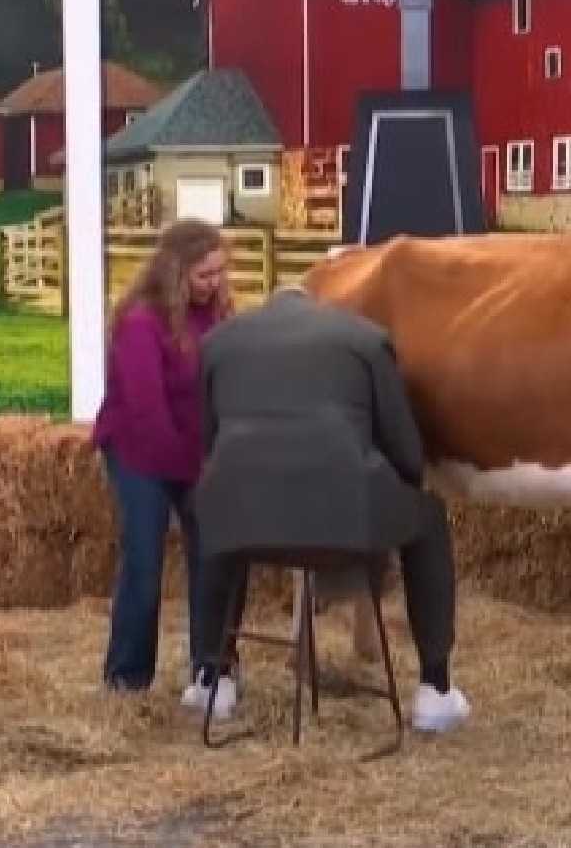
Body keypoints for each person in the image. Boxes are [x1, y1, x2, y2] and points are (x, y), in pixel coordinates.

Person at [189, 288, 471, 733]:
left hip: (247, 521)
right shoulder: (366, 340)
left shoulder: (217, 343)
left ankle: (212, 677)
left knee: (218, 513)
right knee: (429, 518)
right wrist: (397, 484)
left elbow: (206, 441)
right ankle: (435, 687)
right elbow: (403, 445)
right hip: (346, 523)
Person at [93, 219, 233, 701]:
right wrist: (195, 470)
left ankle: (211, 673)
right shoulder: (139, 323)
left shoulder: (218, 317)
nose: (214, 284)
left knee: (213, 557)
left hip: (194, 452)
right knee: (145, 561)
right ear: (176, 273)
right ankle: (127, 679)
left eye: (220, 273)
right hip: (140, 452)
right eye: (204, 275)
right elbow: (148, 409)